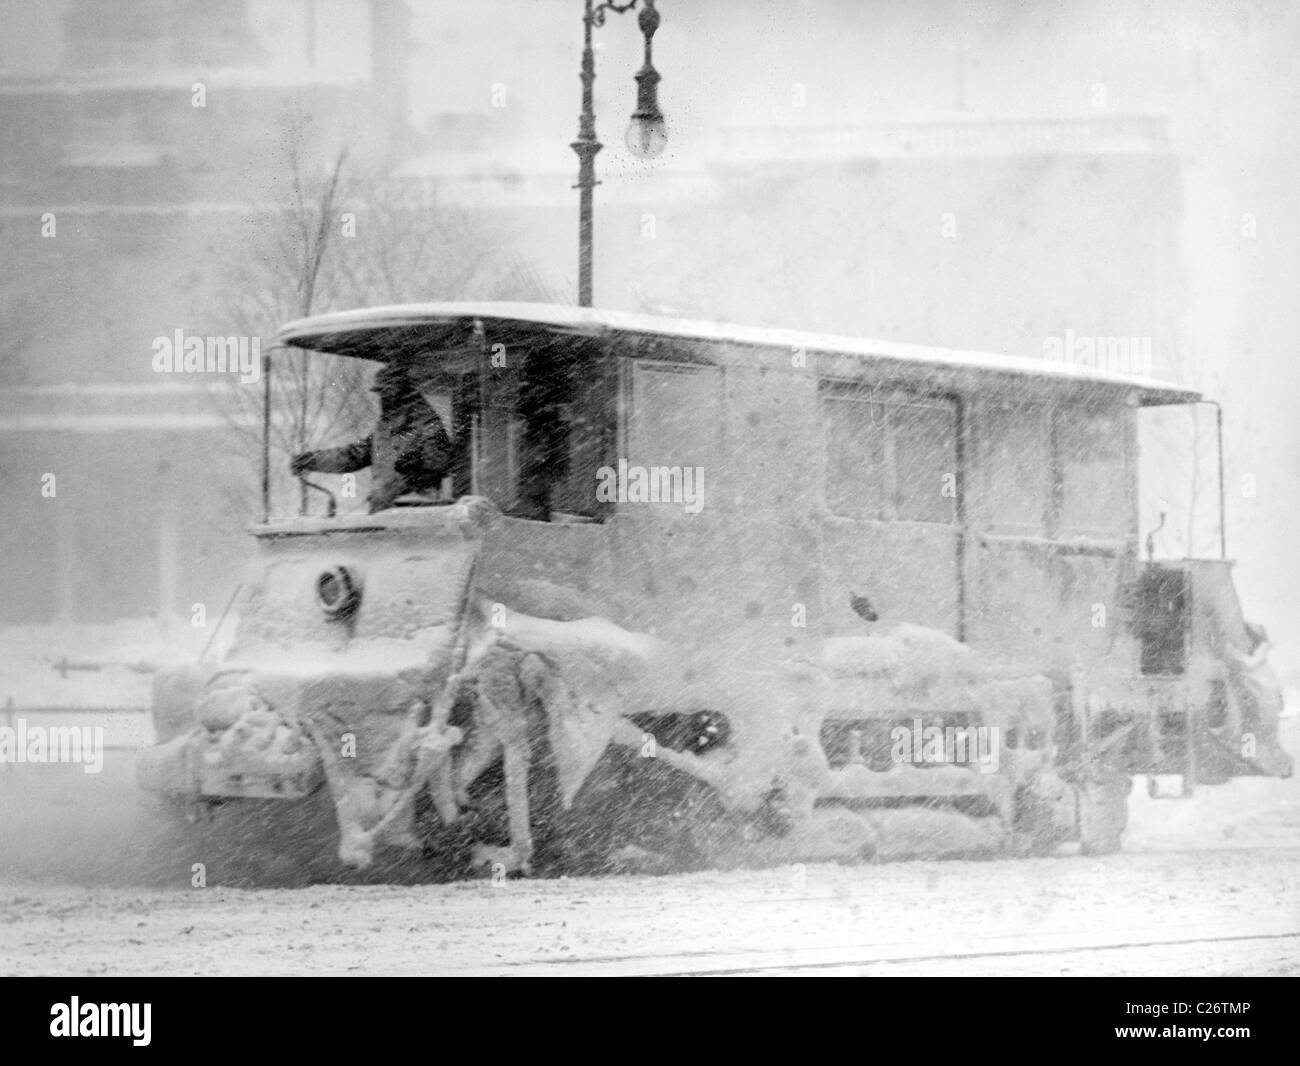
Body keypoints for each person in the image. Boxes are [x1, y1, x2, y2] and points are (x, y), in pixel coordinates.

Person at [290, 361, 456, 513]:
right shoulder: (384, 430)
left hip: (415, 515)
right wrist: (311, 460)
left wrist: (418, 469)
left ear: (405, 392)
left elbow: (440, 464)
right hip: (382, 512)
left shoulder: (429, 426)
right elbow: (353, 456)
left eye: (389, 391)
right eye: (382, 392)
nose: (384, 397)